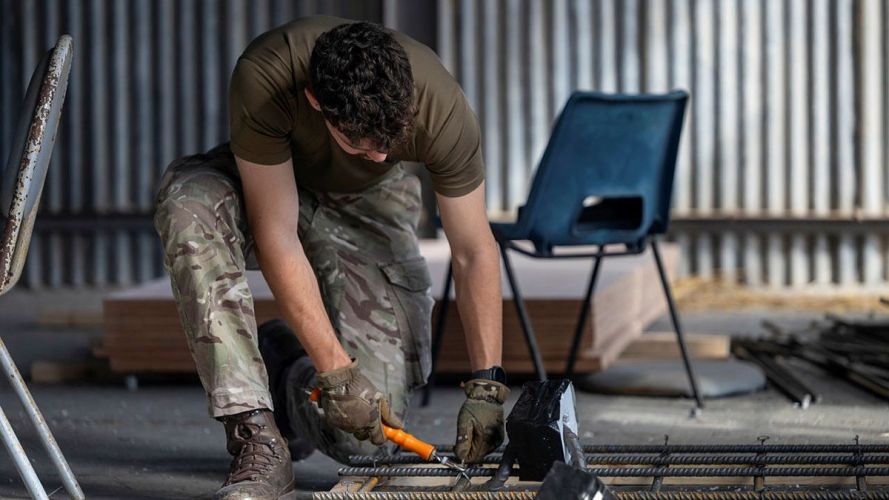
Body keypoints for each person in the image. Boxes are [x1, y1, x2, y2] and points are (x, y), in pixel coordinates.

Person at [153, 16, 510, 500]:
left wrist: (487, 386)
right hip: (271, 183)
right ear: (316, 102)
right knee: (188, 206)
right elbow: (277, 233)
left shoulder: (442, 106)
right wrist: (339, 374)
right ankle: (254, 437)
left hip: (367, 204)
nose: (382, 155)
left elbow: (473, 250)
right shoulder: (266, 76)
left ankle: (286, 369)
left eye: (391, 142)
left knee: (366, 440)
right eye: (363, 144)